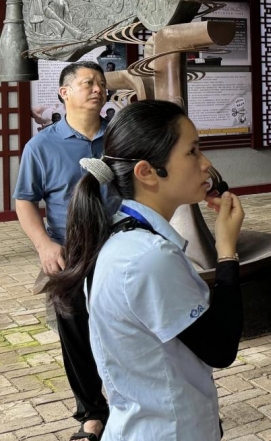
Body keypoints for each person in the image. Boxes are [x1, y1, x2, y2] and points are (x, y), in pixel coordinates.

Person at [45, 100, 245, 440]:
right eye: (192, 152)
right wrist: (227, 251)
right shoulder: (149, 257)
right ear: (147, 172)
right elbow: (221, 347)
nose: (206, 164)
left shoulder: (121, 237)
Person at [13, 61, 110, 441]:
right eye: (88, 83)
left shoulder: (120, 137)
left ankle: (134, 401)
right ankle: (92, 413)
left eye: (101, 83)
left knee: (125, 328)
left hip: (121, 246)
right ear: (64, 92)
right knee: (75, 334)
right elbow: (25, 200)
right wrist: (44, 245)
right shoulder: (41, 145)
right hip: (69, 253)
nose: (98, 89)